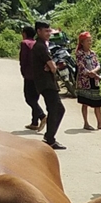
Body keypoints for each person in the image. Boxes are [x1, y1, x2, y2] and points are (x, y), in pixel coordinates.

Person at [31, 20, 66, 150]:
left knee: (56, 109)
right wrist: (51, 66)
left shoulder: (42, 45)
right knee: (57, 109)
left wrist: (50, 66)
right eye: (45, 31)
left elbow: (50, 66)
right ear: (38, 31)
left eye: (49, 31)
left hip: (47, 84)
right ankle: (49, 139)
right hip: (46, 84)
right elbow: (53, 67)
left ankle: (49, 137)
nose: (48, 33)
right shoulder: (40, 46)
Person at [74, 31, 101, 130]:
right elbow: (81, 67)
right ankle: (86, 123)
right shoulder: (79, 54)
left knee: (97, 102)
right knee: (85, 102)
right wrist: (90, 73)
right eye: (88, 41)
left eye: (90, 40)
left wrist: (94, 72)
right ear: (82, 42)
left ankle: (100, 123)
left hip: (94, 80)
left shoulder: (93, 53)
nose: (90, 42)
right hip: (85, 82)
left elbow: (98, 64)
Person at [19, 25, 45, 131]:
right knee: (35, 98)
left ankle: (42, 116)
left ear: (24, 33)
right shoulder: (38, 43)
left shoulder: (25, 43)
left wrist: (23, 72)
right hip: (39, 75)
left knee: (29, 98)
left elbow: (23, 59)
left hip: (29, 74)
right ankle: (34, 122)